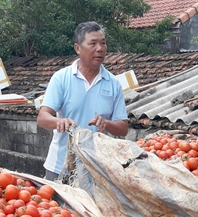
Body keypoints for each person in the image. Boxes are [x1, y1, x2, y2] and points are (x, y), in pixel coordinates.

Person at [37, 22, 129, 180]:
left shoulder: (113, 83)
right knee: (53, 205)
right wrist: (59, 121)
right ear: (78, 48)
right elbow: (42, 117)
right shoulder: (61, 78)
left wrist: (106, 123)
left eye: (103, 43)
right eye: (93, 43)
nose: (100, 48)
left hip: (96, 169)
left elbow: (123, 128)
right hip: (60, 166)